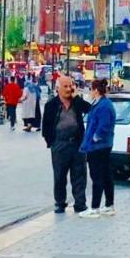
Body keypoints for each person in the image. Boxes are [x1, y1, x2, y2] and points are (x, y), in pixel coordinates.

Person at [41, 75, 89, 214]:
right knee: (60, 175)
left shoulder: (76, 102)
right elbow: (46, 127)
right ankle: (60, 202)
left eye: (71, 86)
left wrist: (76, 97)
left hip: (77, 143)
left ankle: (80, 204)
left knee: (79, 175)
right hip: (60, 144)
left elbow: (89, 109)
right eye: (66, 86)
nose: (69, 89)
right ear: (57, 88)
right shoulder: (51, 105)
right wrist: (52, 142)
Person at [78, 78, 116, 217]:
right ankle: (109, 205)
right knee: (106, 175)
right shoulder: (102, 104)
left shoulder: (103, 106)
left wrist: (95, 137)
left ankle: (95, 208)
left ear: (96, 90)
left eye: (91, 89)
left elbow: (103, 126)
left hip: (98, 147)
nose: (89, 92)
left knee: (97, 176)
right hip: (102, 146)